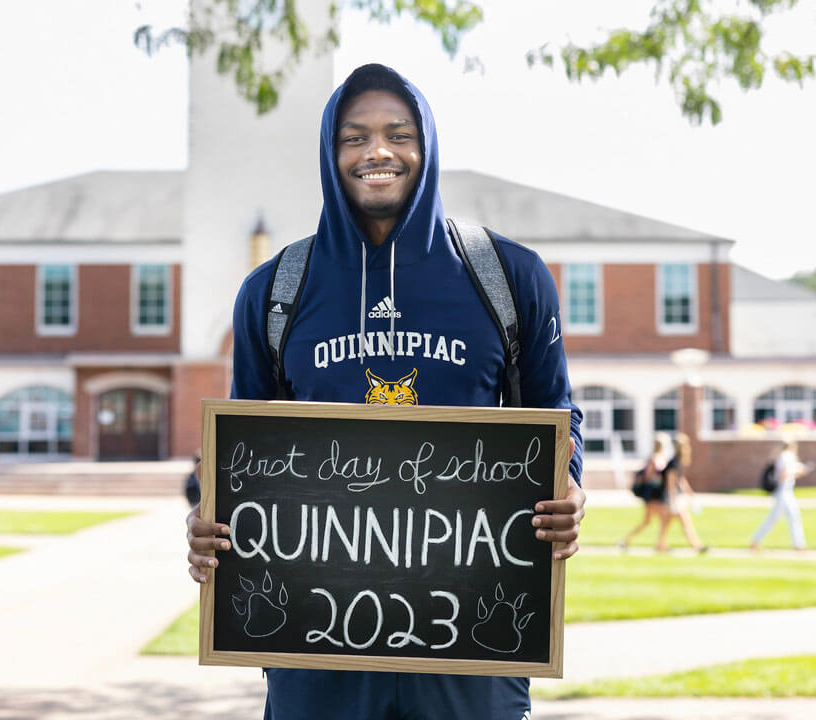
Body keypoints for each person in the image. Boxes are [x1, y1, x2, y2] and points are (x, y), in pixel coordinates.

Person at [185, 63, 586, 720]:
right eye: (355, 136)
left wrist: (571, 490)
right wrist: (205, 522)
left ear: (425, 147)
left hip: (474, 641)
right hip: (316, 643)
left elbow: (558, 416)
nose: (378, 151)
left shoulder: (508, 275)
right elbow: (234, 456)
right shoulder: (275, 290)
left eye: (399, 133)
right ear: (328, 150)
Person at [750, 438, 809, 551]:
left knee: (788, 516)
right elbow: (784, 474)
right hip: (784, 491)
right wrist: (795, 472)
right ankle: (798, 544)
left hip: (786, 491)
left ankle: (798, 543)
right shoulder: (786, 456)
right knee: (788, 516)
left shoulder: (784, 456)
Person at [654, 432, 708, 554]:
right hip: (673, 498)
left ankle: (660, 544)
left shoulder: (677, 462)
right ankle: (697, 546)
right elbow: (671, 483)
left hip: (674, 498)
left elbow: (681, 480)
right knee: (685, 523)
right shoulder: (673, 463)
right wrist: (671, 501)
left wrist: (690, 493)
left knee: (666, 524)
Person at [618, 432, 673, 551]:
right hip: (654, 495)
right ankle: (660, 545)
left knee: (648, 522)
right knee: (664, 518)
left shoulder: (658, 458)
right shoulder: (654, 459)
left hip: (657, 495)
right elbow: (649, 478)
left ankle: (626, 540)